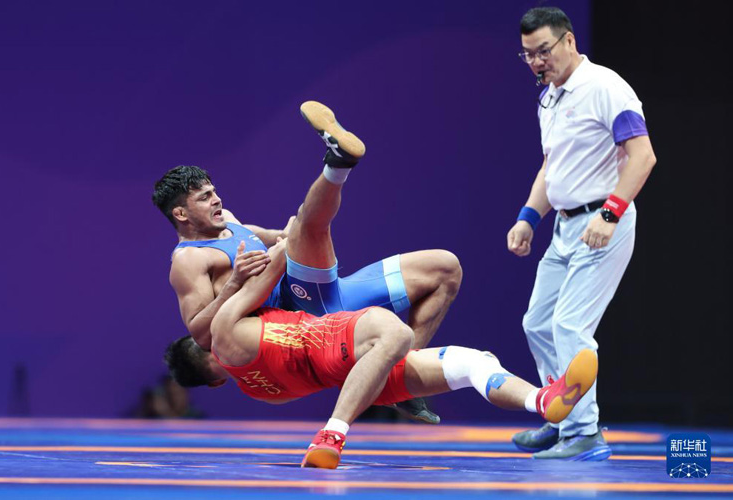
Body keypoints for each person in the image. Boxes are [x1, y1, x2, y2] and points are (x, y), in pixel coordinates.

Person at [164, 237, 598, 469]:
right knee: (397, 333)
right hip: (336, 338)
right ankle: (331, 435)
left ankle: (542, 400)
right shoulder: (223, 330)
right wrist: (267, 249)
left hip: (356, 377)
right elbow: (275, 264)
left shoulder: (258, 392)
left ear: (214, 382)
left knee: (470, 362)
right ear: (203, 344)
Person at [152, 101, 463, 424]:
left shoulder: (228, 220)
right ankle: (338, 164)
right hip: (295, 311)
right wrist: (234, 283)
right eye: (204, 198)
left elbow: (274, 237)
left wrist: (283, 234)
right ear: (181, 214)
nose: (216, 199)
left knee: (445, 269)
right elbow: (202, 334)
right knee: (308, 225)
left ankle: (398, 378)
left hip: (328, 295)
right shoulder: (189, 259)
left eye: (213, 191)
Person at [506, 7, 656, 460]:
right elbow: (553, 167)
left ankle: (584, 433)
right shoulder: (549, 99)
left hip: (603, 223)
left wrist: (610, 214)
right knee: (537, 323)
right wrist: (528, 217)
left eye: (543, 51)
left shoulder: (605, 87)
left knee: (570, 326)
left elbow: (643, 156)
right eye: (528, 55)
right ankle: (561, 419)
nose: (536, 62)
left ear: (569, 41)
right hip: (565, 227)